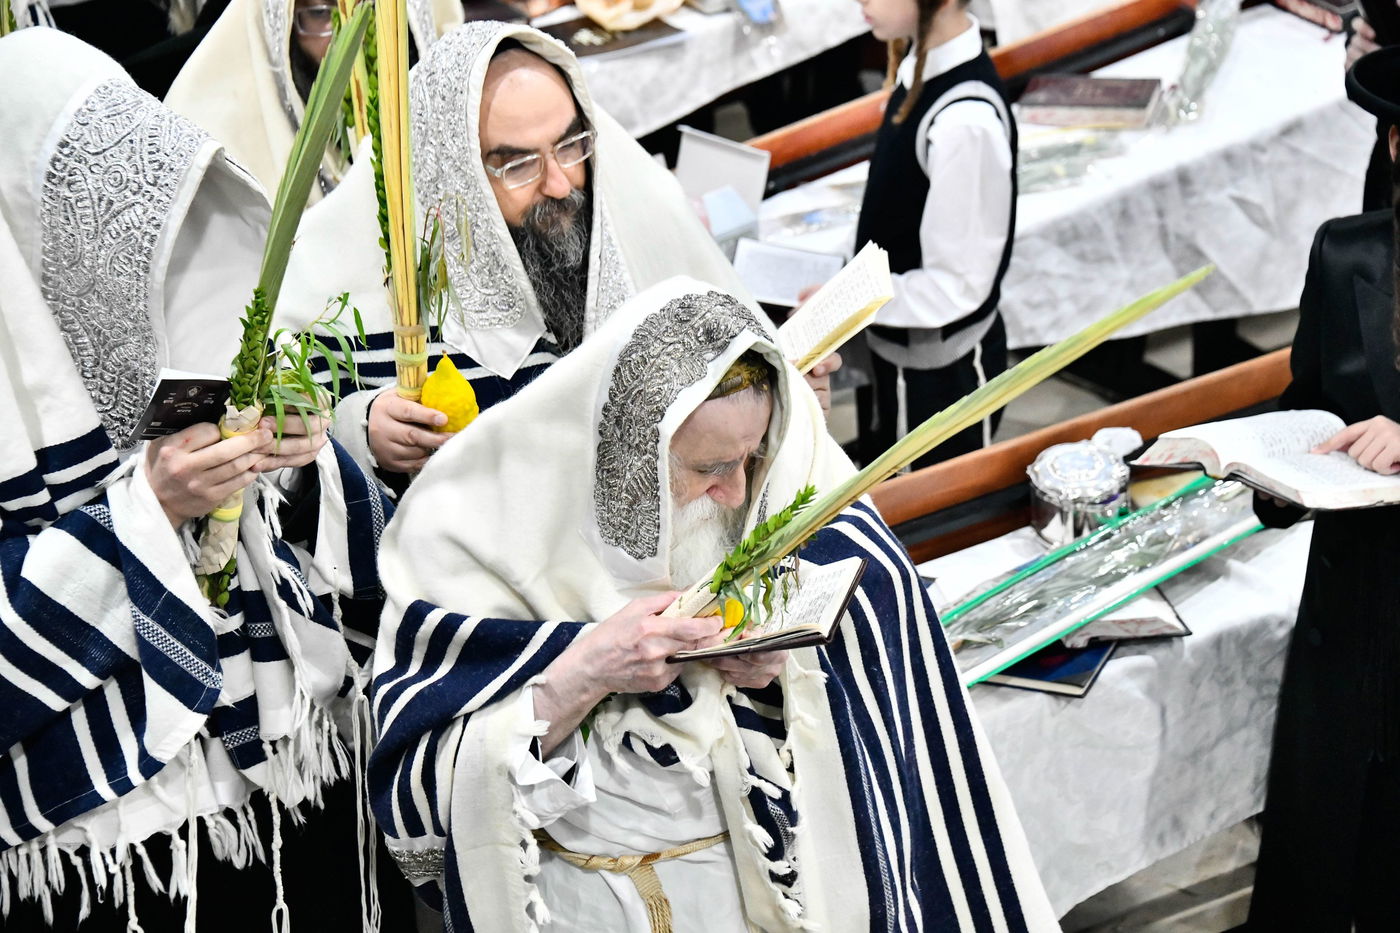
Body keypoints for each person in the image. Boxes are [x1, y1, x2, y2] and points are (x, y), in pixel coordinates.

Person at [367, 276, 1059, 931]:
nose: (738, 492)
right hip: (585, 901)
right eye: (709, 468)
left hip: (763, 889)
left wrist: (779, 670)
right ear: (631, 458)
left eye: (752, 458)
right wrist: (584, 672)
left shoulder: (781, 473)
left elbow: (879, 632)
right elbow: (425, 788)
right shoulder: (470, 528)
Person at [0, 27, 399, 930]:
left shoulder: (174, 301)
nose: (127, 254)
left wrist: (298, 462)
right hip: (110, 851)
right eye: (86, 222)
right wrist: (144, 512)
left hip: (290, 771)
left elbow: (347, 566)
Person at [279, 21, 838, 484]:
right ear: (453, 176)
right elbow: (280, 460)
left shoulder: (630, 235)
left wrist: (782, 403)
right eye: (518, 163)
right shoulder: (349, 294)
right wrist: (363, 430)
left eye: (572, 144)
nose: (560, 183)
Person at [1243, 46, 1400, 933]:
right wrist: (1268, 473)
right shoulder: (1347, 254)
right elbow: (1308, 405)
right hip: (1349, 609)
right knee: (1316, 856)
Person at [849, 0, 1015, 468]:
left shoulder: (964, 123)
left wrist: (846, 300)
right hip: (900, 348)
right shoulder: (920, 63)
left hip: (939, 375)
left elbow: (955, 286)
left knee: (928, 503)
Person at [164, 0, 464, 201]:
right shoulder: (218, 133)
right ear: (281, 20)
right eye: (321, 13)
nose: (354, 38)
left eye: (369, 6)